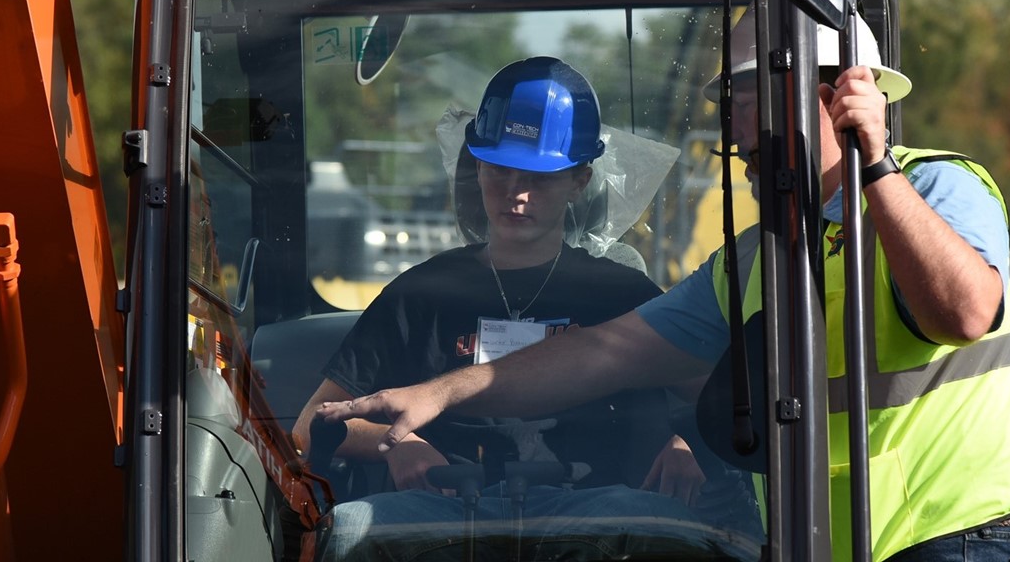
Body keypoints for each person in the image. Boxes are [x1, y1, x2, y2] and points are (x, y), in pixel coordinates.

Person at [319, 17, 1010, 562]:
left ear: (830, 94)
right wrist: (439, 396)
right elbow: (606, 352)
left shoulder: (935, 184)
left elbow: (965, 310)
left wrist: (876, 166)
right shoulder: (753, 260)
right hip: (835, 544)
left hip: (968, 538)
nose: (729, 130)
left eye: (739, 100)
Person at [297, 56, 757, 561]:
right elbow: (314, 423)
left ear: (580, 180)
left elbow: (716, 407)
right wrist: (398, 442)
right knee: (348, 529)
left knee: (668, 530)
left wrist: (682, 444)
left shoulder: (623, 296)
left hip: (591, 514)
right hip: (444, 517)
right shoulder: (420, 295)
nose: (517, 194)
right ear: (476, 164)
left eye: (541, 177)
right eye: (501, 170)